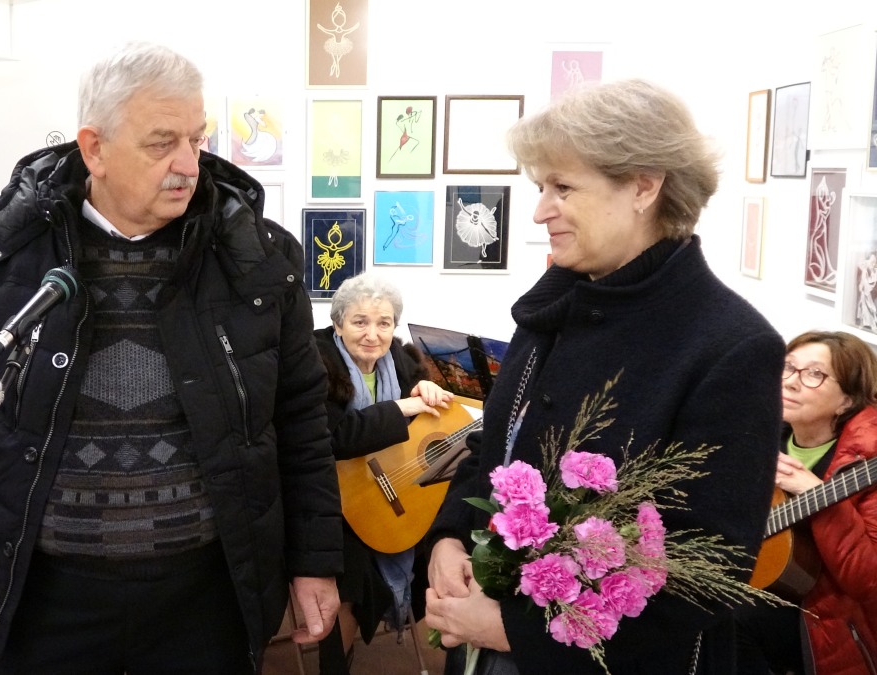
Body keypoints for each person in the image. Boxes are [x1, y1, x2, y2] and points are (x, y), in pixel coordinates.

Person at [0, 42, 342, 674]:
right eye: (162, 143)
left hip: (205, 597)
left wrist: (314, 559)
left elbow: (301, 417)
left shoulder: (254, 256)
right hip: (43, 596)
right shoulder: (3, 252)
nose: (189, 164)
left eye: (197, 139)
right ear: (95, 149)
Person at [422, 78, 785, 674]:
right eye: (541, 187)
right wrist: (450, 536)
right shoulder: (554, 309)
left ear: (644, 185)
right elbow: (496, 448)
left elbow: (709, 570)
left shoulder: (729, 346)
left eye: (563, 187)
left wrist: (518, 633)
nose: (540, 211)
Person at [312, 272, 453, 673]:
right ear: (338, 324)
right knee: (349, 575)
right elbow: (334, 436)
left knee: (445, 536)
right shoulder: (315, 362)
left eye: (384, 323)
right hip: (327, 499)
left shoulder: (404, 363)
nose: (373, 334)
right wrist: (402, 409)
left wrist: (427, 391)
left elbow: (432, 426)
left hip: (390, 491)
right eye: (360, 322)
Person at [735, 330, 877, 675]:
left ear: (846, 401)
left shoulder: (866, 463)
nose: (791, 382)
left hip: (833, 619)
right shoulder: (765, 433)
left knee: (731, 619)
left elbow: (869, 578)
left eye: (814, 374)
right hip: (766, 587)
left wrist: (815, 493)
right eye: (788, 367)